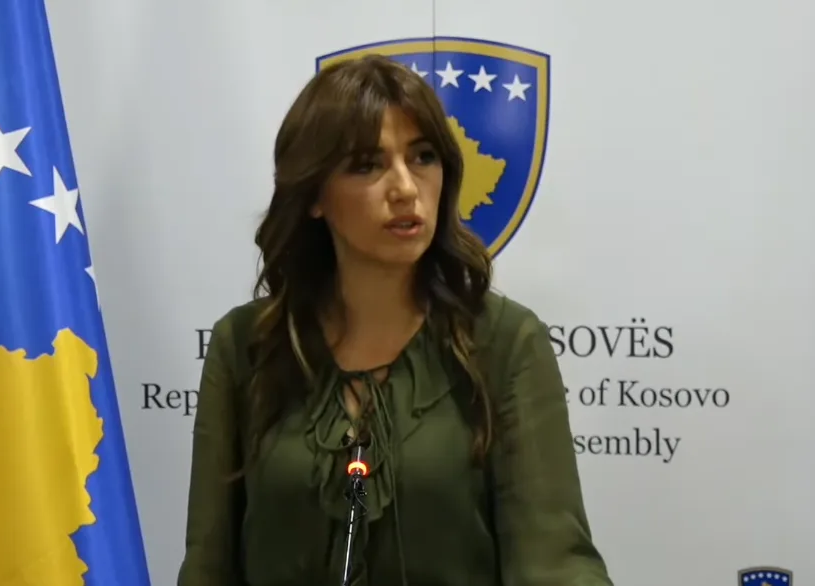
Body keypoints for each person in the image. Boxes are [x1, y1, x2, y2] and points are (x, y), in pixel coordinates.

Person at [176, 54, 614, 586]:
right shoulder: (246, 344)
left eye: (423, 157)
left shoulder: (505, 341)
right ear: (313, 195)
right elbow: (208, 565)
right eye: (367, 165)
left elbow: (553, 562)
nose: (405, 187)